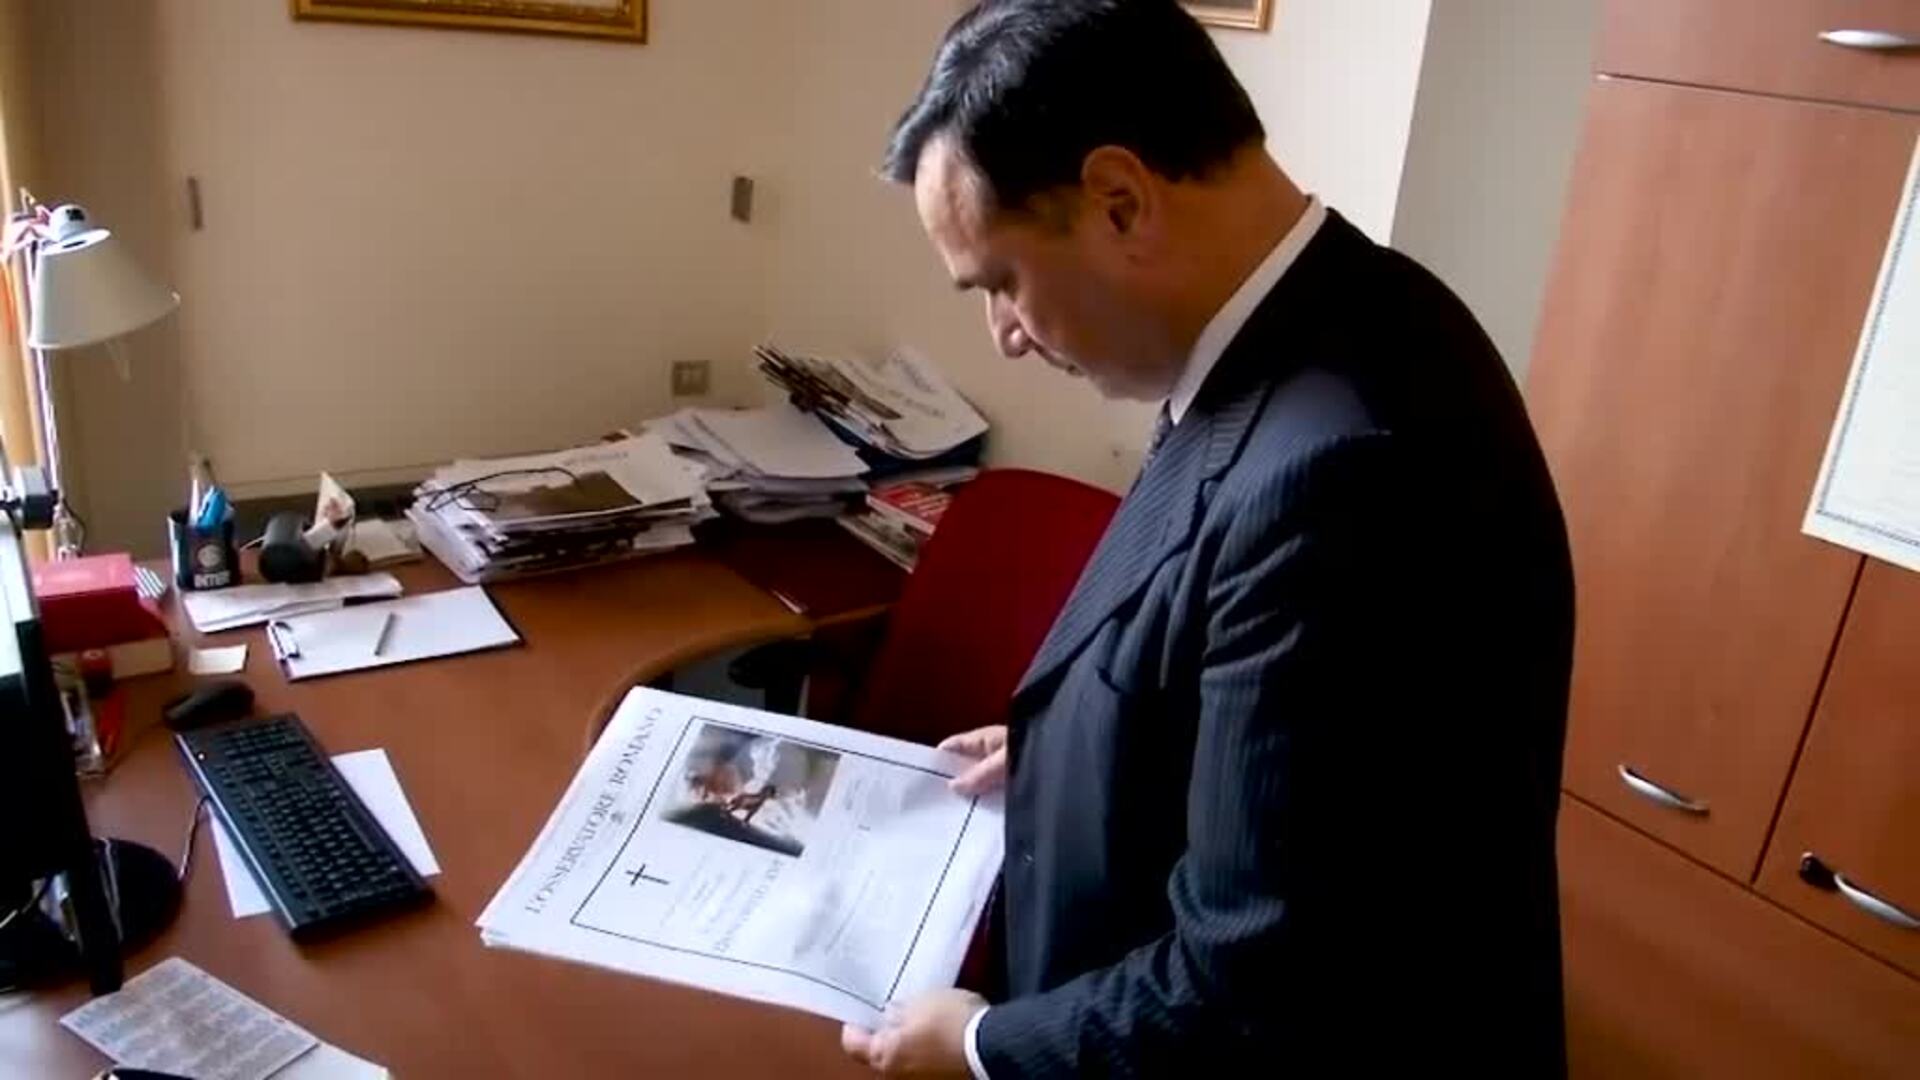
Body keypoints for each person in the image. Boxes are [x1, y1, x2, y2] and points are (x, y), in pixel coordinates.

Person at [840, 1, 1575, 1076]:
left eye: (1002, 282)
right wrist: (1080, 744)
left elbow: (1256, 989)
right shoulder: (1333, 314)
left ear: (1120, 202)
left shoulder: (1345, 469)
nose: (1004, 336)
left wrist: (983, 1046)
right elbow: (1252, 700)